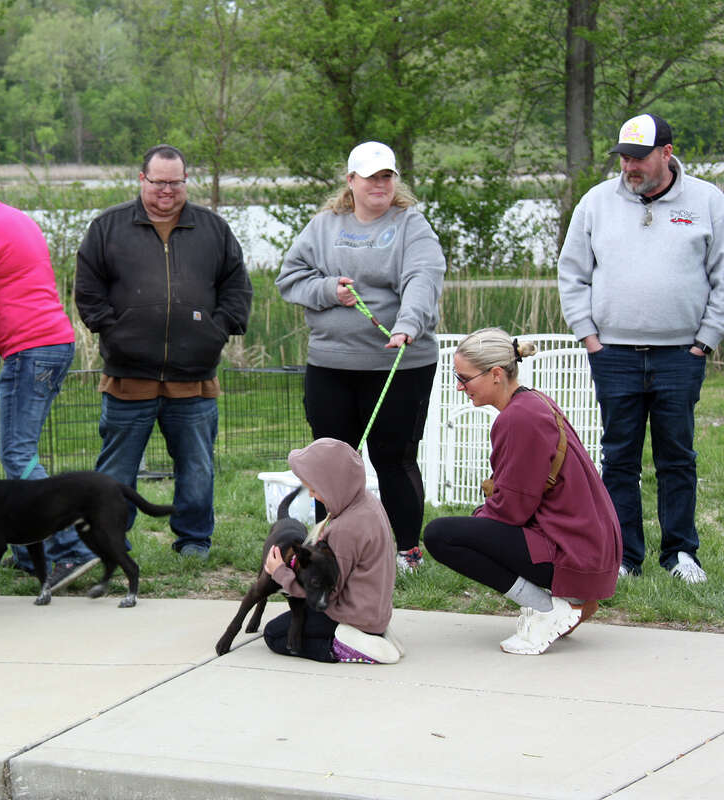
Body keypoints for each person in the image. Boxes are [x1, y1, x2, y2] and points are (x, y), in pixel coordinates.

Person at [558, 112, 724, 583]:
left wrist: (704, 341)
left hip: (680, 355)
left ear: (666, 154)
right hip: (614, 355)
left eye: (638, 158)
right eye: (624, 158)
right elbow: (572, 274)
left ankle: (680, 554)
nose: (629, 167)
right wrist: (589, 337)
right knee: (619, 457)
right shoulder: (596, 203)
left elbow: (722, 276)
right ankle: (625, 556)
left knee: (677, 457)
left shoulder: (708, 201)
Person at [74, 144, 252, 558]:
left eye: (176, 182)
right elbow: (87, 290)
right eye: (159, 182)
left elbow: (237, 288)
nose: (167, 191)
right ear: (142, 180)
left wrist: (216, 331)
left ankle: (193, 540)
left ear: (185, 181)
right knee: (116, 470)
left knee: (197, 468)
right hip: (127, 377)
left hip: (195, 378)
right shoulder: (108, 227)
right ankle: (110, 539)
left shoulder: (213, 230)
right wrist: (113, 333)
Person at [276, 141, 446, 574]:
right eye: (371, 177)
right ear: (350, 181)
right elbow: (291, 278)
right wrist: (328, 291)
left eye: (387, 176)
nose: (380, 184)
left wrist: (409, 324)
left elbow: (422, 278)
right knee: (331, 460)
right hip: (330, 365)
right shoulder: (323, 227)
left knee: (394, 458)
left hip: (398, 363)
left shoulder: (412, 225)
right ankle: (329, 549)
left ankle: (406, 552)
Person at [0, 160, 98, 590]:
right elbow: (18, 288)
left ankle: (70, 552)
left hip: (32, 351)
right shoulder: (13, 218)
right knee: (19, 453)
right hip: (51, 342)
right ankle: (31, 549)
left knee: (19, 456)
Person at [422, 328, 622, 655]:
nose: (460, 386)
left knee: (441, 535)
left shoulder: (517, 419)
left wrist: (477, 523)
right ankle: (573, 600)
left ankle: (549, 608)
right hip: (589, 546)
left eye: (465, 377)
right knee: (473, 527)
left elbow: (511, 510)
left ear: (496, 374)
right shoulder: (533, 401)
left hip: (575, 552)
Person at [262, 438, 402, 664]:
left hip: (352, 617)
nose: (311, 495)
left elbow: (324, 593)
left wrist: (279, 572)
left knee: (274, 634)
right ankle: (374, 633)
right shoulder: (367, 503)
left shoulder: (345, 530)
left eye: (315, 489)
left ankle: (344, 646)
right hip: (374, 611)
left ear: (333, 487)